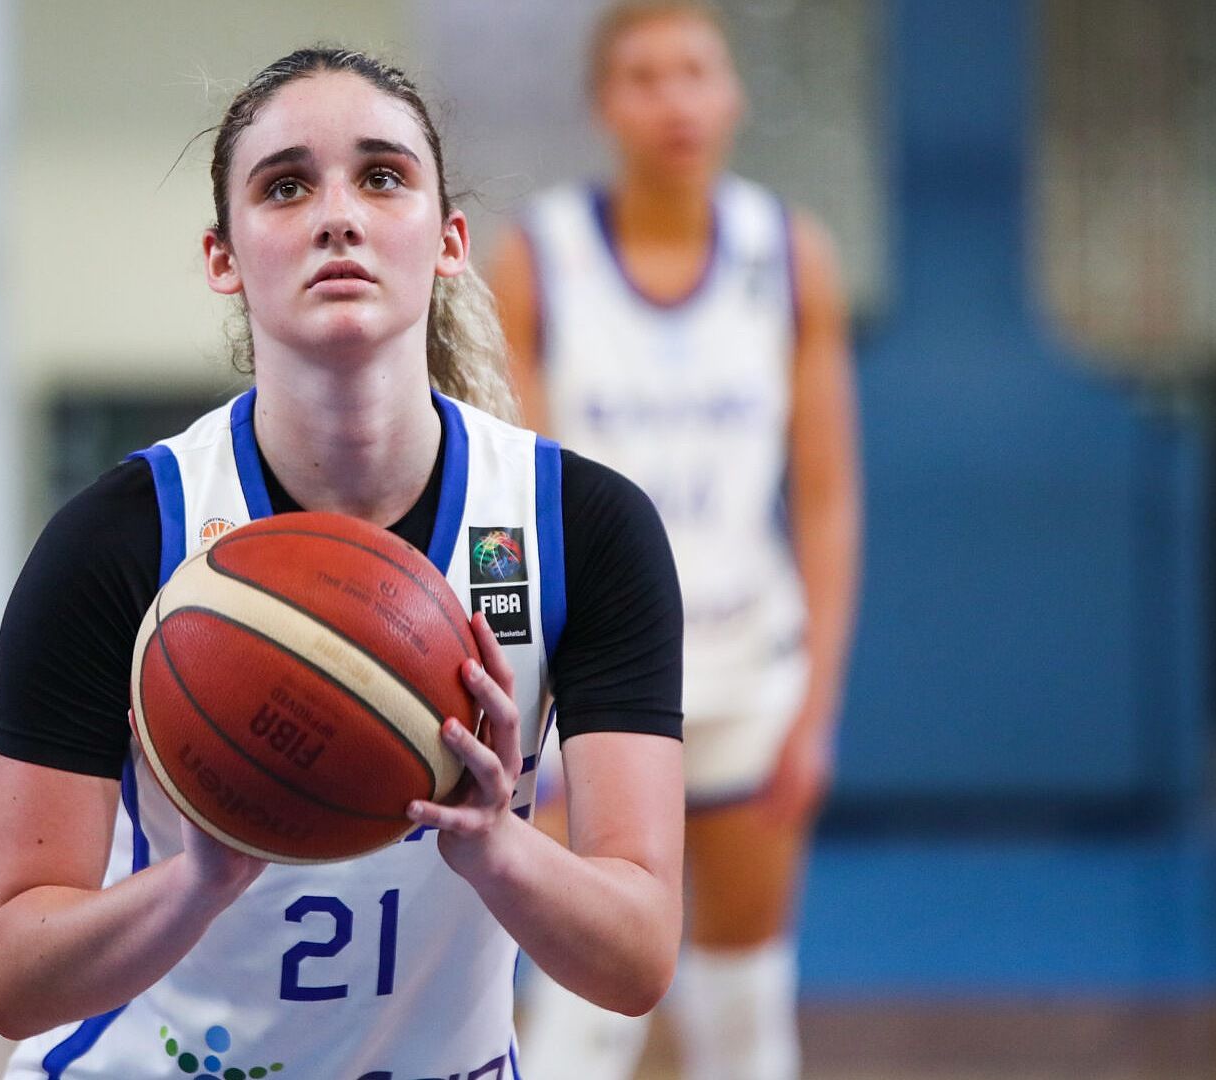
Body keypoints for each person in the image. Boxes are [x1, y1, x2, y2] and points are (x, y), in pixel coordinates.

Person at [0, 46, 689, 1080]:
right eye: (286, 186)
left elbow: (638, 957)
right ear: (223, 257)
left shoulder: (580, 528)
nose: (338, 215)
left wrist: (495, 844)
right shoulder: (122, 539)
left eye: (383, 176)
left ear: (449, 241)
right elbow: (8, 975)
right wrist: (195, 883)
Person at [495, 5, 861, 1080]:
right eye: (645, 77)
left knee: (747, 1017)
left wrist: (817, 707)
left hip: (749, 666)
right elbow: (512, 509)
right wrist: (526, 705)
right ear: (603, 104)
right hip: (593, 681)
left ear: (734, 92)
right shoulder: (539, 259)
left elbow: (828, 496)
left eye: (696, 71)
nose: (675, 101)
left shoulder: (789, 257)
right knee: (577, 1022)